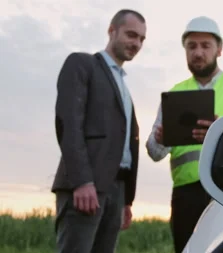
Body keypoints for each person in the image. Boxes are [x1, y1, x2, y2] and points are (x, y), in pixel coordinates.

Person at [145, 16, 223, 253]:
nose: (198, 53)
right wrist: (160, 139)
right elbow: (153, 152)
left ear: (219, 49)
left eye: (205, 46)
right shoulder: (174, 94)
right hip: (186, 197)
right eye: (192, 46)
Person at [51, 9, 146, 253]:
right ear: (111, 31)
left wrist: (126, 201)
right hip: (86, 186)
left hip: (117, 189)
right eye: (131, 35)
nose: (136, 43)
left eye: (141, 39)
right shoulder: (83, 64)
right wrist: (82, 181)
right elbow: (68, 123)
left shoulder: (123, 85)